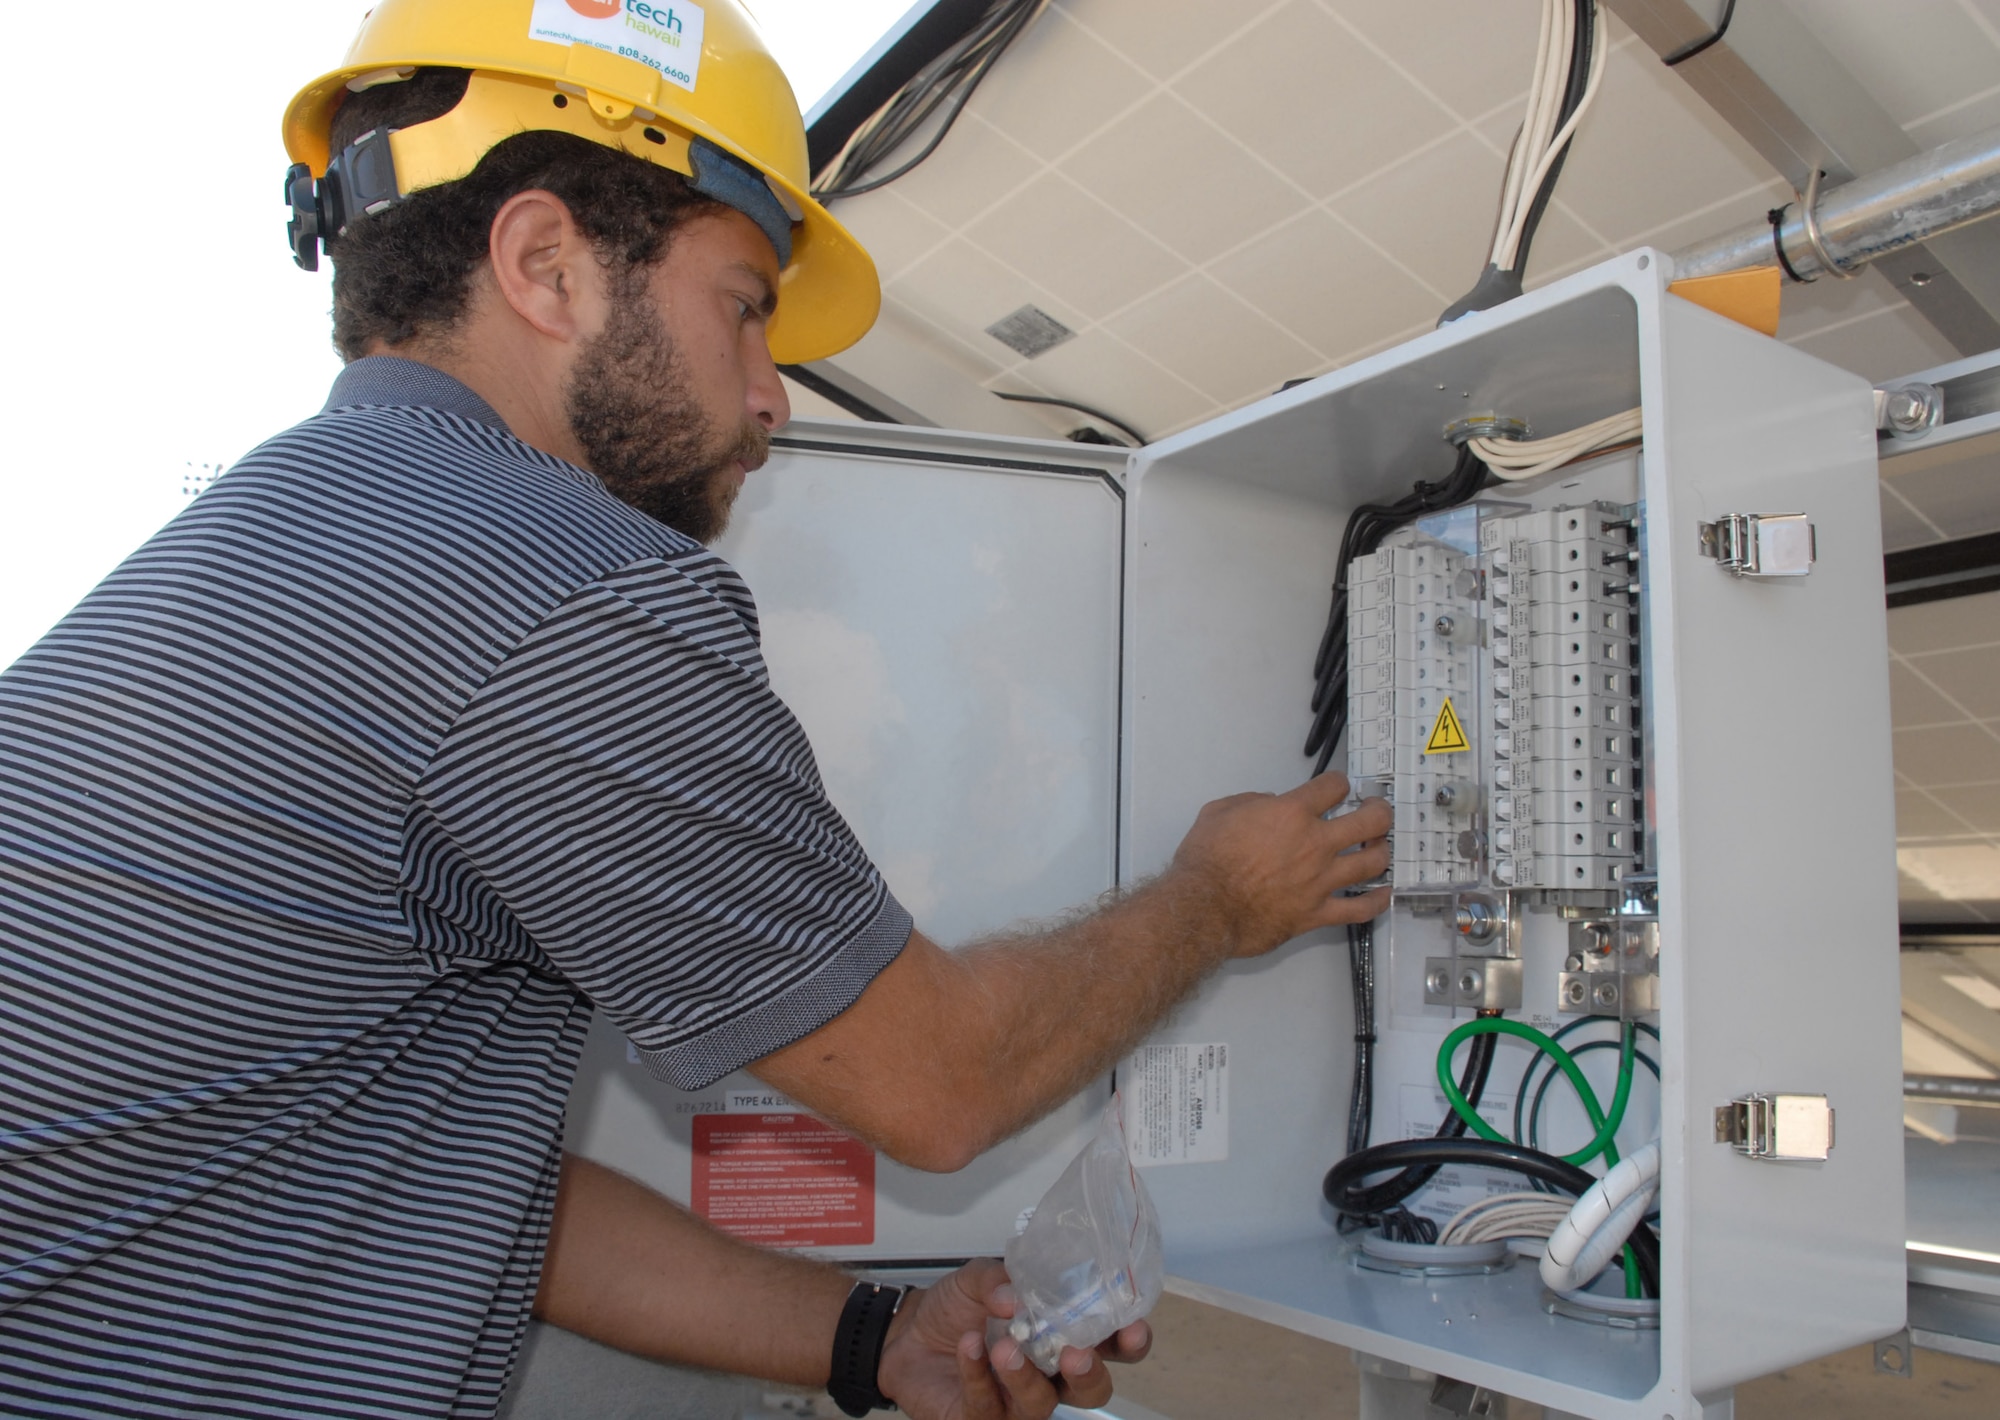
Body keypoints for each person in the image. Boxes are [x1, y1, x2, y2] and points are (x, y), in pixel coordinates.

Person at [0, 3, 1391, 1416]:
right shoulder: (554, 581)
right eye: (742, 306)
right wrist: (1220, 898)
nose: (772, 396)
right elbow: (943, 1081)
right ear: (545, 266)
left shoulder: (291, 526)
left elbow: (444, 1194)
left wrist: (874, 1339)